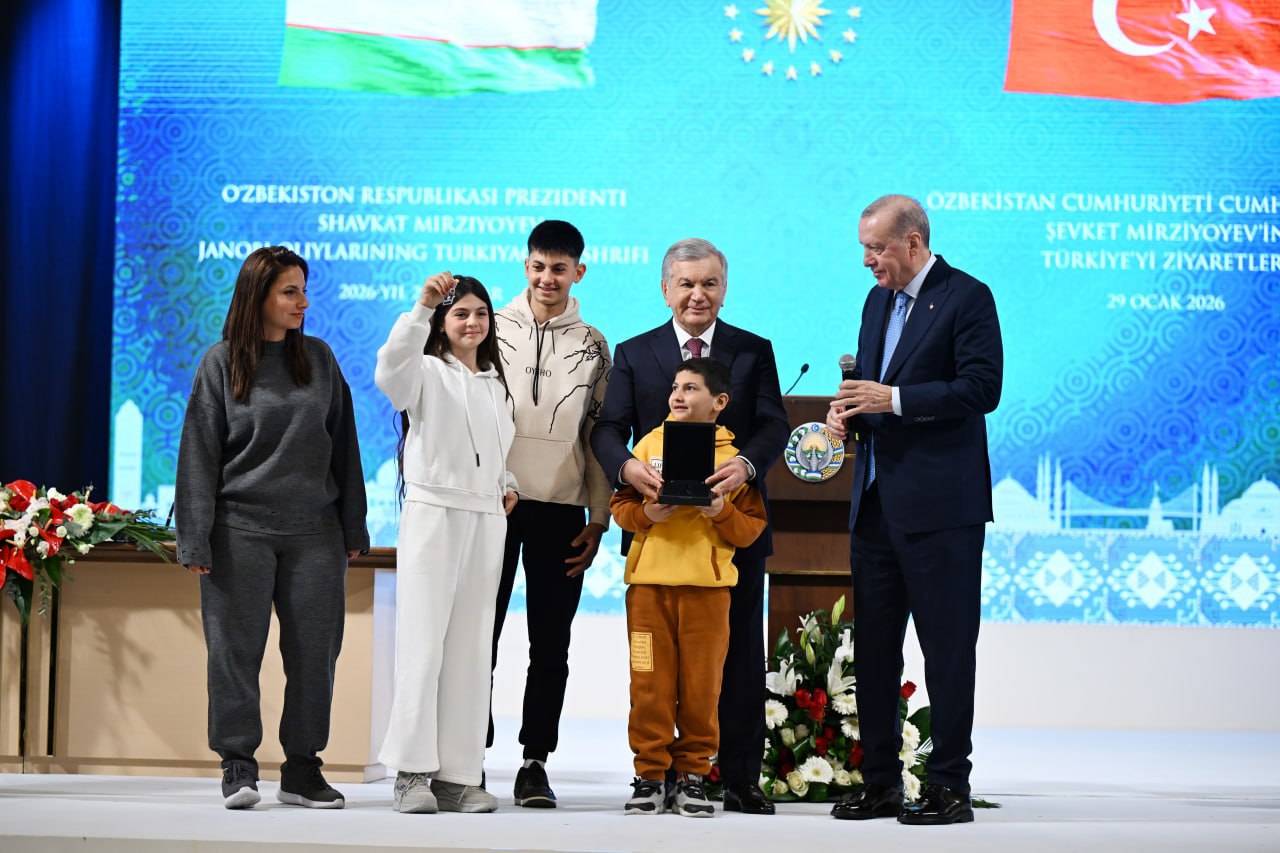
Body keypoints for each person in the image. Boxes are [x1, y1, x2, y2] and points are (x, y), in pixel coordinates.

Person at [592, 237, 789, 816]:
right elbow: (608, 429)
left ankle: (739, 777)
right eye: (686, 283)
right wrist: (627, 468)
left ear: (724, 289)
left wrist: (744, 465)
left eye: (709, 283)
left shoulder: (753, 350)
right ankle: (653, 774)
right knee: (653, 671)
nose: (697, 294)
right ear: (665, 290)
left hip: (729, 533)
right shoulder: (635, 352)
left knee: (738, 658)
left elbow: (774, 424)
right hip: (657, 541)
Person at [825, 194, 1003, 825]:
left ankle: (949, 786)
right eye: (863, 248)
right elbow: (872, 392)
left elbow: (982, 389)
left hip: (941, 511)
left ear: (914, 243)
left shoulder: (966, 297)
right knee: (874, 652)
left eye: (876, 248)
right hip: (875, 504)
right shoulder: (876, 302)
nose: (867, 260)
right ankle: (880, 784)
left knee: (946, 652)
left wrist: (893, 399)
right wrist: (848, 414)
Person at [174, 245, 369, 811]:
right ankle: (238, 764)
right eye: (290, 292)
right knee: (234, 654)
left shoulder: (320, 359)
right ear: (258, 295)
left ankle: (302, 769)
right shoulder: (220, 362)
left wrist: (354, 527)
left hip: (316, 534)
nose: (303, 302)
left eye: (304, 290)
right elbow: (198, 454)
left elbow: (346, 448)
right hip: (238, 531)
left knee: (314, 656)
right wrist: (194, 536)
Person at [375, 272, 519, 815]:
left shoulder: (496, 384)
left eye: (481, 313)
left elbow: (494, 451)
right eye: (460, 314)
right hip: (434, 513)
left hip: (486, 518)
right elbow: (389, 371)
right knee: (424, 645)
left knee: (472, 649)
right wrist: (420, 308)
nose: (472, 322)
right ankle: (411, 772)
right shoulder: (423, 371)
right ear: (441, 323)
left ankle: (458, 776)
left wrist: (505, 483)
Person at [488, 220, 611, 807]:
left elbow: (599, 434)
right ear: (525, 266)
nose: (547, 278)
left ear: (578, 272)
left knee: (550, 643)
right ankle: (465, 751)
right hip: (492, 506)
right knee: (478, 636)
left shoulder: (595, 344)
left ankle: (534, 761)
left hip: (561, 510)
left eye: (559, 268)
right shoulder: (488, 327)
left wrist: (599, 517)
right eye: (538, 266)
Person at [610, 358, 767, 817]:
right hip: (648, 591)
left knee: (702, 689)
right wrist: (646, 514)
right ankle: (650, 775)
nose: (678, 396)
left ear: (719, 402)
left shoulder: (733, 461)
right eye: (675, 387)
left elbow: (751, 530)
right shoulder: (648, 445)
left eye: (691, 388)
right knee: (649, 685)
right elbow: (621, 506)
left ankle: (693, 776)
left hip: (707, 593)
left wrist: (719, 511)